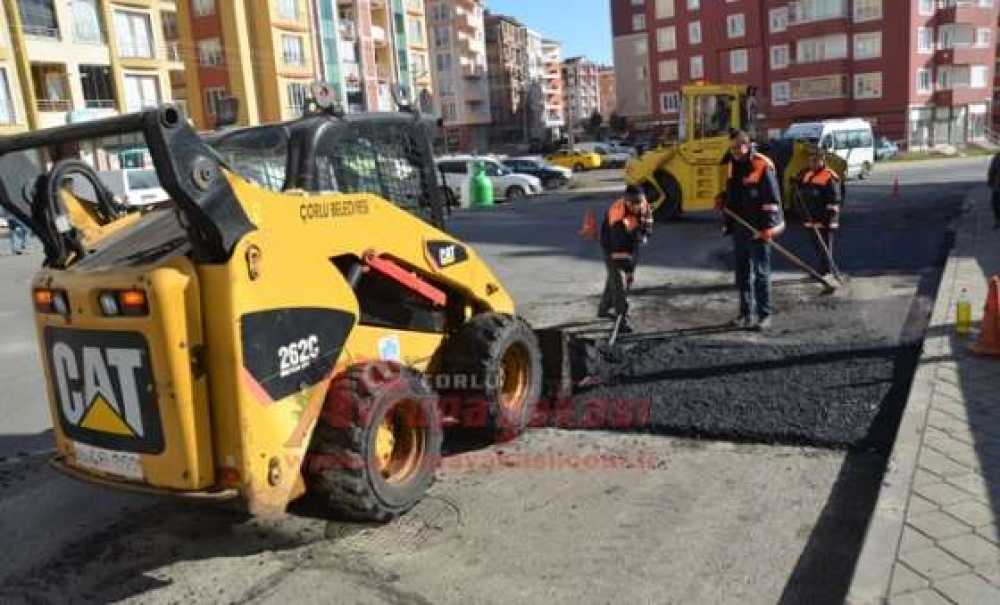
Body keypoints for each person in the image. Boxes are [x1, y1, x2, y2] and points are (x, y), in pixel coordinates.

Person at [716, 129, 785, 331]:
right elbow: (732, 190)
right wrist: (722, 199)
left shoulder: (762, 164)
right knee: (742, 273)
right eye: (733, 147)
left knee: (761, 273)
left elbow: (772, 202)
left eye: (739, 146)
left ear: (748, 144)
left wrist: (767, 228)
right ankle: (745, 313)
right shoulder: (731, 163)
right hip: (740, 226)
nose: (736, 151)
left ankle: (764, 315)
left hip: (758, 228)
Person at [597, 185, 645, 333]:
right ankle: (622, 318)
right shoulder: (618, 216)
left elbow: (634, 240)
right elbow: (620, 250)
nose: (638, 206)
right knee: (618, 283)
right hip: (613, 249)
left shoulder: (639, 207)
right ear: (626, 201)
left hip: (625, 246)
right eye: (634, 203)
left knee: (613, 279)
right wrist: (629, 271)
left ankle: (603, 309)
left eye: (640, 202)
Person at [796, 151, 841, 275]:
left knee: (825, 246)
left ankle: (826, 270)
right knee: (817, 246)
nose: (813, 163)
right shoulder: (808, 174)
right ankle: (822, 268)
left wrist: (826, 219)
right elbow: (805, 193)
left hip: (825, 220)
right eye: (811, 161)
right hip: (812, 219)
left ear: (822, 160)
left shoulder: (829, 176)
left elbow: (834, 200)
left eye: (816, 160)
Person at [987, 151, 1000, 229]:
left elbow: (992, 171)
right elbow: (992, 171)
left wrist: (990, 181)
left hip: (997, 185)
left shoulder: (997, 156)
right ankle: (998, 221)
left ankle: (998, 221)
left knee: (996, 203)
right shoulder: (997, 157)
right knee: (995, 203)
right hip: (998, 185)